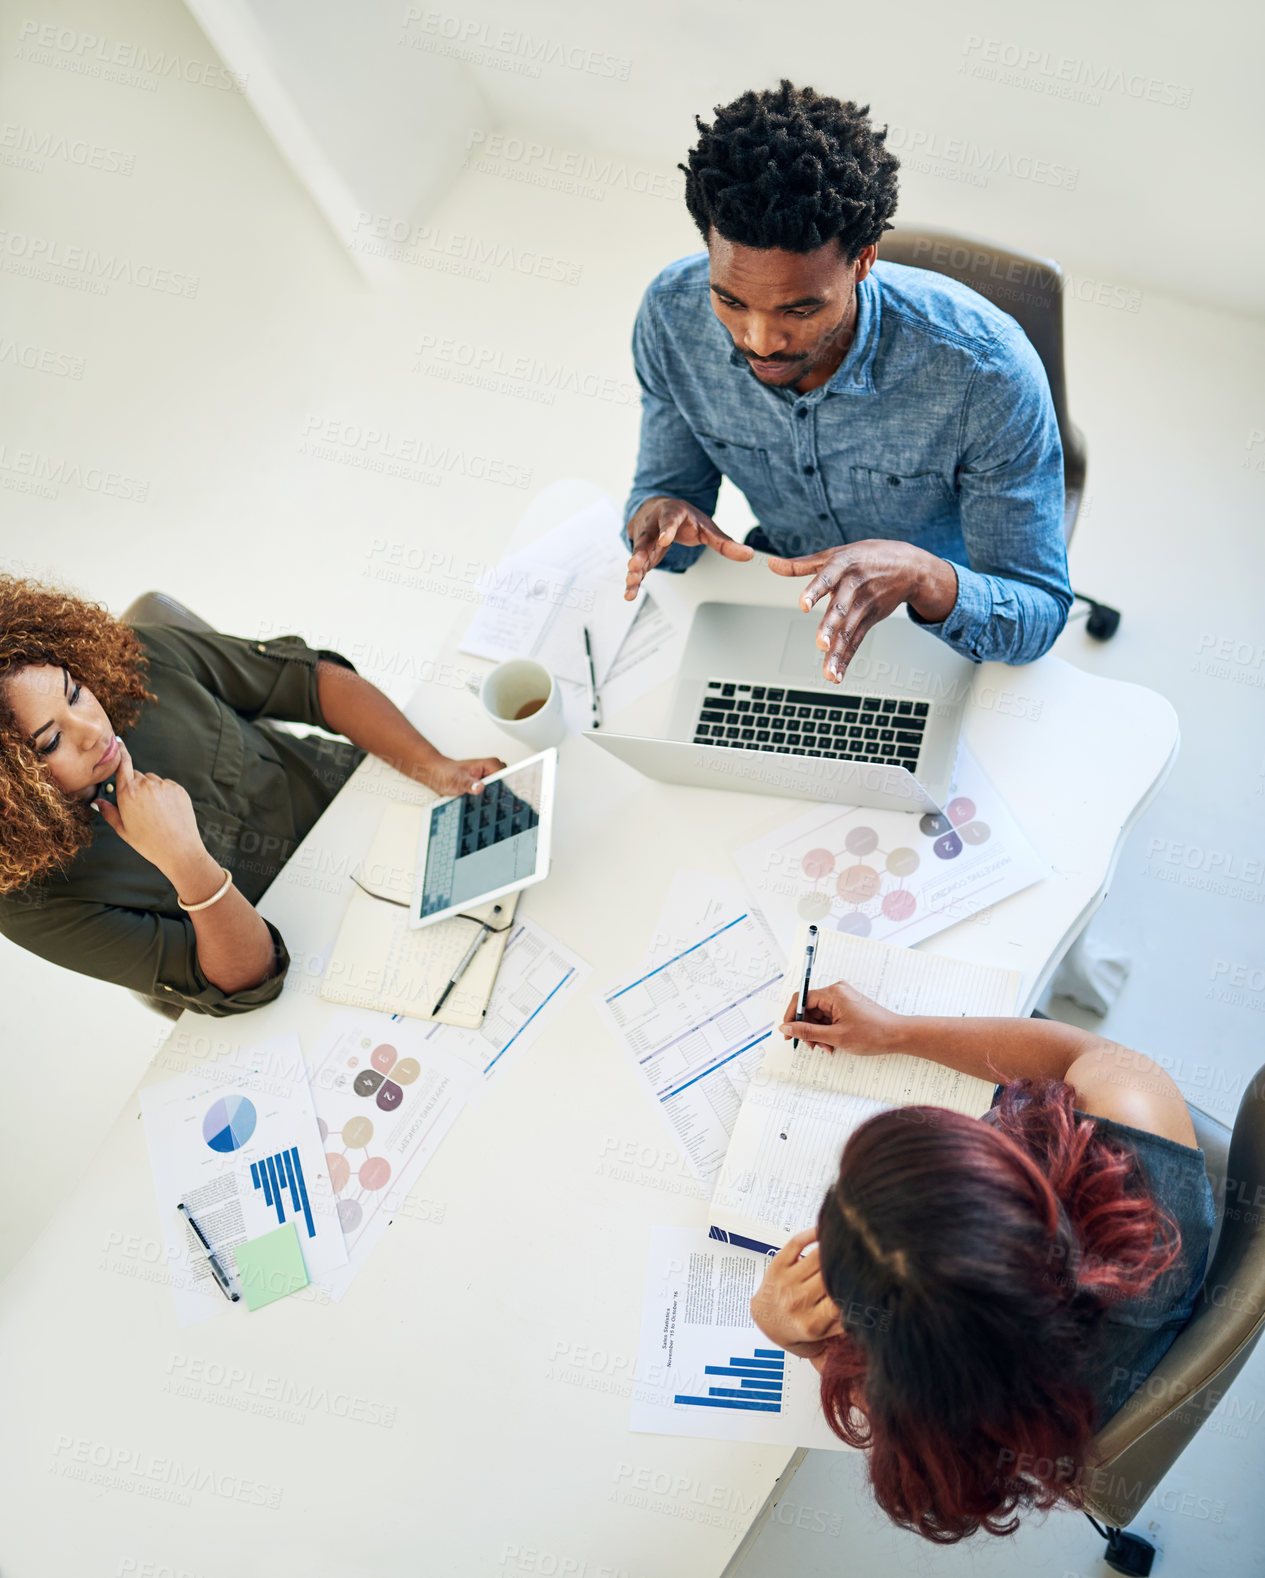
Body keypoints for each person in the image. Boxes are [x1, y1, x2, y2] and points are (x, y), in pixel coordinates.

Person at [623, 81, 1073, 681]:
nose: (758, 340)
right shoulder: (670, 318)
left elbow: (1038, 613)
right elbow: (666, 488)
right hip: (792, 602)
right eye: (730, 300)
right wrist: (659, 516)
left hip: (938, 623)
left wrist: (923, 575)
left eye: (799, 310)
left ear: (863, 261)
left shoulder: (986, 374)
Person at [749, 980, 1215, 1542]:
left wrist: (796, 1341)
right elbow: (1076, 1055)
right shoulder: (1129, 1109)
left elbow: (896, 1416)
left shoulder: (954, 1415)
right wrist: (896, 1030)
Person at [0, 576, 505, 1016]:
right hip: (323, 964)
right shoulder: (29, 903)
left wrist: (434, 766)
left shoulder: (130, 661)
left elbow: (308, 682)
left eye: (73, 692)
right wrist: (184, 860)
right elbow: (246, 979)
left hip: (383, 813)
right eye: (50, 742)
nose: (91, 729)